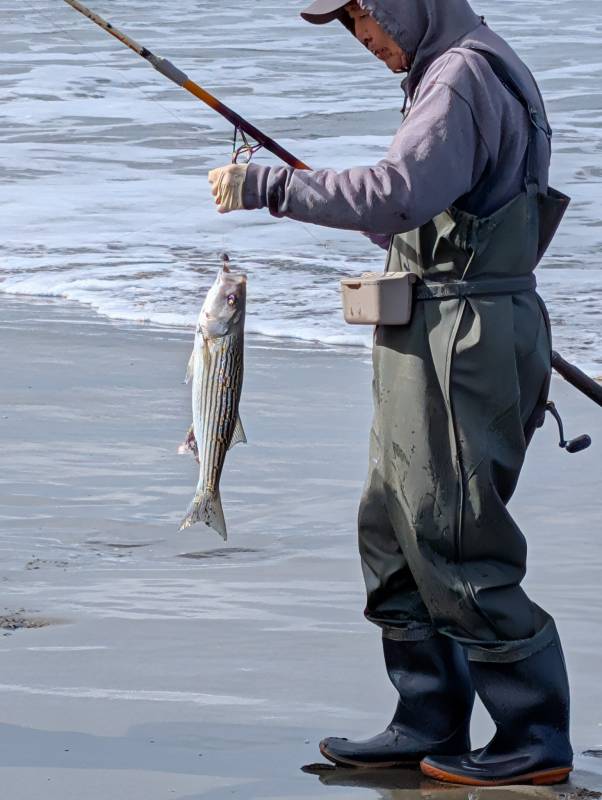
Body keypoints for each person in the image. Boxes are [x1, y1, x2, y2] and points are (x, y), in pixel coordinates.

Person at [207, 0, 573, 787]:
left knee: (454, 534)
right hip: (439, 323)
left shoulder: (462, 76)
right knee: (392, 526)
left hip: (463, 337)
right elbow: (431, 205)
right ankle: (426, 717)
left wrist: (269, 187)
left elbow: (399, 191)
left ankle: (533, 733)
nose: (364, 40)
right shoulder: (452, 70)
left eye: (362, 20)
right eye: (349, 27)